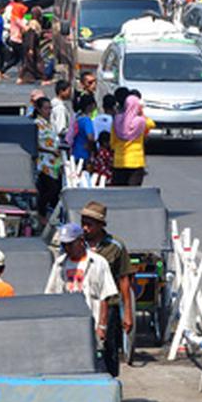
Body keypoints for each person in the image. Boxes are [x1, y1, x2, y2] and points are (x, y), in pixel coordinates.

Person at [80, 202, 134, 376]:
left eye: (90, 224)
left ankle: (110, 383)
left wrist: (127, 313)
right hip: (82, 305)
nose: (85, 228)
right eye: (83, 223)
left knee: (109, 348)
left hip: (108, 306)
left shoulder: (115, 246)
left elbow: (124, 279)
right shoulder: (76, 244)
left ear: (101, 225)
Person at [46, 223, 118, 342]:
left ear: (81, 240)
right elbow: (51, 295)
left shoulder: (98, 263)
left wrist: (102, 326)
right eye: (64, 245)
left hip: (91, 322)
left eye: (70, 244)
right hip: (66, 325)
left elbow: (104, 297)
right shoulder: (59, 264)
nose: (67, 248)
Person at [111, 93, 154, 186]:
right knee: (133, 193)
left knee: (118, 193)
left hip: (119, 162)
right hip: (136, 162)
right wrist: (141, 112)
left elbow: (112, 143)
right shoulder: (141, 122)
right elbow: (152, 124)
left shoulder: (117, 120)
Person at [32, 96, 62, 216]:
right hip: (44, 162)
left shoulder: (49, 124)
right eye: (46, 108)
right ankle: (41, 212)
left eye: (50, 108)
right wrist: (50, 151)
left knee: (53, 189)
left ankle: (50, 213)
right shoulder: (37, 124)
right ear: (39, 109)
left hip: (53, 162)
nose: (48, 111)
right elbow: (35, 143)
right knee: (51, 189)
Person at [17, 7, 47, 84]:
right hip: (31, 45)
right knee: (31, 62)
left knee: (30, 62)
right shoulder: (34, 23)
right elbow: (32, 35)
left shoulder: (32, 22)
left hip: (31, 45)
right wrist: (31, 48)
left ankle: (28, 77)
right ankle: (42, 77)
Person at [67, 93, 96, 163]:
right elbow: (90, 137)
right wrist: (91, 147)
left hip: (75, 152)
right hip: (84, 154)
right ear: (90, 106)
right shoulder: (87, 120)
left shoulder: (77, 118)